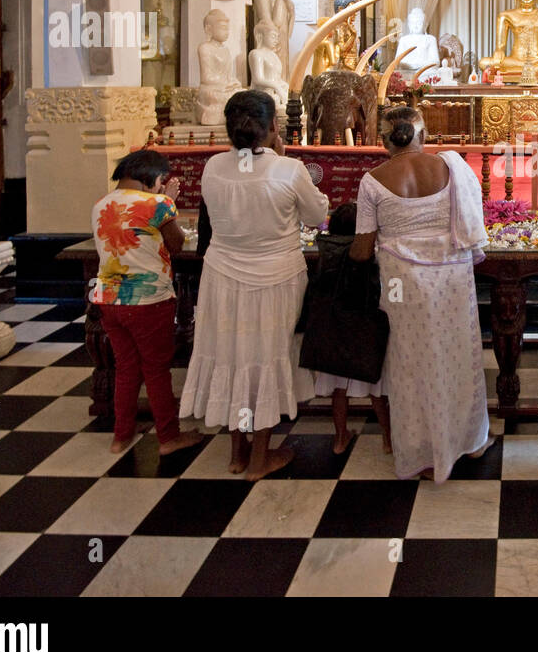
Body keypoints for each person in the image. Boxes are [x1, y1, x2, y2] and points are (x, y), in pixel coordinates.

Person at [180, 90, 329, 481]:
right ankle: (260, 458)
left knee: (231, 354)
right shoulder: (288, 170)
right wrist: (278, 156)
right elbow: (316, 216)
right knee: (264, 357)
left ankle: (237, 453)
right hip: (275, 279)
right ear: (273, 128)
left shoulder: (213, 167)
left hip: (221, 277)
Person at [349, 106, 493, 482]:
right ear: (422, 136)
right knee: (458, 354)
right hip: (452, 276)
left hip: (401, 283)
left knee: (410, 363)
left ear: (383, 140)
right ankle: (468, 441)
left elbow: (362, 251)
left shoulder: (372, 181)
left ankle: (422, 455)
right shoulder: (451, 169)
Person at [91, 149, 202, 457]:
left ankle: (121, 435)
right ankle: (168, 437)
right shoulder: (158, 204)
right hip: (148, 300)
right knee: (155, 369)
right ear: (151, 178)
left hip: (109, 298)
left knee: (126, 368)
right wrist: (167, 201)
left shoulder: (102, 203)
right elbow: (177, 244)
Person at [306, 201, 392, 455]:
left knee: (338, 390)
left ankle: (340, 438)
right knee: (377, 392)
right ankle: (388, 439)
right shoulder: (368, 254)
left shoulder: (325, 253)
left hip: (334, 332)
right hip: (364, 333)